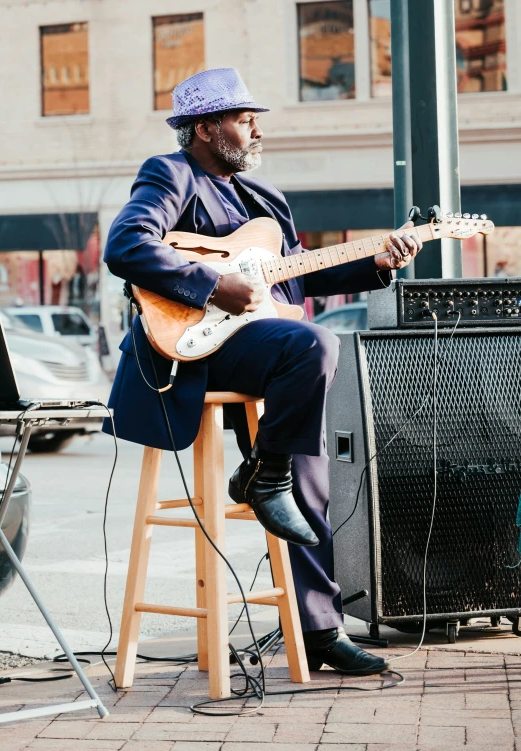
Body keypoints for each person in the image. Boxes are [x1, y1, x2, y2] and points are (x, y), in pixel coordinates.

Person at [103, 68, 421, 676]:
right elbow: (127, 244)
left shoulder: (265, 199)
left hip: (259, 345)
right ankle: (264, 475)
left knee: (310, 472)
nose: (255, 131)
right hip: (194, 344)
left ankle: (320, 627)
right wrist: (210, 282)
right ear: (205, 128)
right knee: (314, 345)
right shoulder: (172, 175)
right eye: (244, 120)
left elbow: (298, 274)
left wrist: (375, 263)